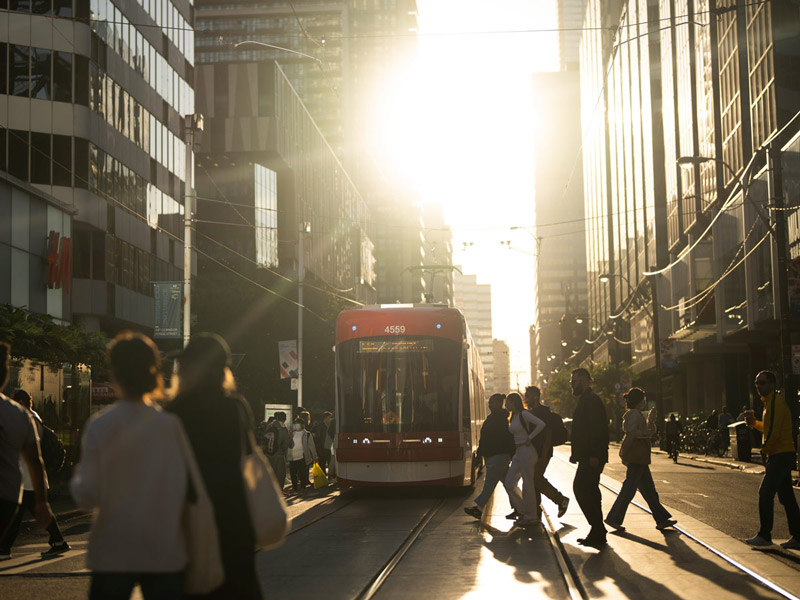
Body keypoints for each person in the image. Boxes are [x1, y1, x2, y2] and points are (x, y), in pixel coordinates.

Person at [70, 332, 192, 599]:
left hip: (114, 548)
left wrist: (78, 478)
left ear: (115, 373)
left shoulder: (101, 426)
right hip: (163, 548)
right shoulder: (169, 426)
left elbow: (87, 494)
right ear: (154, 372)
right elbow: (183, 486)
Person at [167, 333, 263, 599]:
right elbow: (247, 456)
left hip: (191, 518)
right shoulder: (236, 408)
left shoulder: (175, 412)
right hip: (235, 518)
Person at [0, 389, 69, 559]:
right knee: (30, 509)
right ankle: (58, 540)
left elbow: (27, 449)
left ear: (21, 402)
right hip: (28, 475)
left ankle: (4, 548)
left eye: (14, 401)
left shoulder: (27, 418)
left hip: (26, 474)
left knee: (17, 512)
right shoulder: (33, 416)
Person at [0, 343, 53, 549]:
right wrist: (41, 502)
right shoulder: (20, 416)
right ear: (5, 375)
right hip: (7, 498)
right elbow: (35, 460)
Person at [605, 388, 677, 532]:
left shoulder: (637, 414)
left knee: (649, 491)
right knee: (629, 489)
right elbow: (632, 432)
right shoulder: (634, 415)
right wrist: (645, 434)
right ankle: (614, 518)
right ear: (639, 400)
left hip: (641, 457)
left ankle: (661, 519)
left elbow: (644, 432)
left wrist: (651, 420)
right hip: (637, 457)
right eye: (643, 399)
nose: (644, 401)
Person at [745, 370, 800, 549]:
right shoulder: (769, 404)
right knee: (786, 497)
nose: (758, 387)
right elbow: (769, 429)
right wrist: (755, 424)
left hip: (781, 454)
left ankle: (764, 535)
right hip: (781, 453)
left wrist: (764, 451)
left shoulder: (775, 403)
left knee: (765, 493)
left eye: (762, 383)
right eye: (757, 384)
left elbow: (774, 434)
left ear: (772, 384)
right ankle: (798, 536)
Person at [569, 367, 610, 548]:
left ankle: (598, 528)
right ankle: (597, 532)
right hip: (587, 454)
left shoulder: (591, 401)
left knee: (581, 489)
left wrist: (594, 453)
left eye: (574, 381)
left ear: (584, 381)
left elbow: (596, 429)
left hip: (592, 455)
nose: (572, 384)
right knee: (592, 492)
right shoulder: (586, 400)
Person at [464, 393, 515, 520]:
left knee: (490, 483)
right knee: (509, 484)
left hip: (498, 456)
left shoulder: (501, 419)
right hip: (495, 456)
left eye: (492, 402)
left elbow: (497, 438)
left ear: (499, 404)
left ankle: (479, 508)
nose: (489, 404)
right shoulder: (493, 417)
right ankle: (520, 508)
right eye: (489, 402)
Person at [524, 386, 570, 518]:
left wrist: (544, 455)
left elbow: (548, 434)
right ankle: (536, 512)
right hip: (533, 453)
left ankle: (560, 500)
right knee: (533, 481)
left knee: (535, 479)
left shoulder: (543, 412)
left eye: (527, 396)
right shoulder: (531, 413)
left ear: (535, 397)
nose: (525, 399)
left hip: (542, 453)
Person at [503, 392, 546, 527]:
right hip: (518, 453)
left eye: (508, 402)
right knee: (509, 483)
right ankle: (523, 510)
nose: (506, 405)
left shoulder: (523, 414)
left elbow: (541, 424)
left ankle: (531, 516)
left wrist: (530, 438)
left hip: (527, 452)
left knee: (527, 484)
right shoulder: (513, 416)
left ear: (514, 402)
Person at [267, 412, 293, 494]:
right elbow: (290, 444)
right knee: (280, 473)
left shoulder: (269, 426)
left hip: (268, 453)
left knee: (270, 472)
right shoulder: (283, 429)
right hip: (279, 454)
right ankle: (279, 490)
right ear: (285, 419)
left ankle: (269, 489)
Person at [289, 417, 317, 492]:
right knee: (293, 473)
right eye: (295, 424)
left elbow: (311, 446)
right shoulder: (291, 433)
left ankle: (303, 487)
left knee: (302, 473)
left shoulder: (307, 434)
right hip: (292, 456)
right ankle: (294, 487)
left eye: (297, 424)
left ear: (302, 425)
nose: (296, 425)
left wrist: (314, 456)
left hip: (302, 456)